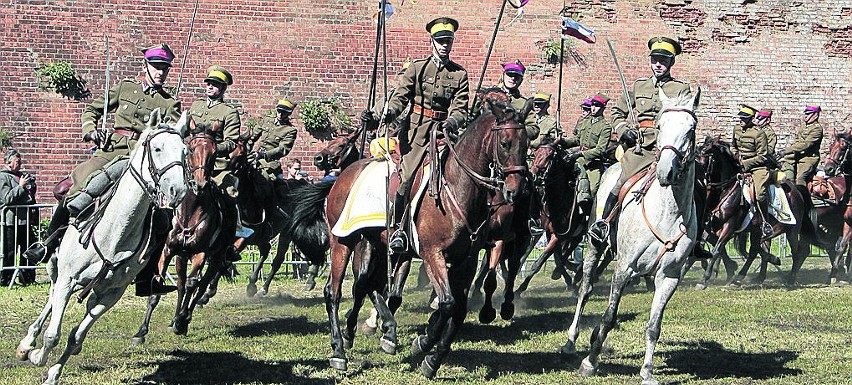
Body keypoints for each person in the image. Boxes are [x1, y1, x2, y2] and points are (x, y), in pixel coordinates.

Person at [23, 44, 182, 297]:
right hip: (112, 152)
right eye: (156, 67)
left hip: (143, 162)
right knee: (69, 188)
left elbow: (171, 137)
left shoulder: (170, 103)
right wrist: (90, 129)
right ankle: (48, 243)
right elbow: (92, 110)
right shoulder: (125, 88)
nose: (160, 72)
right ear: (146, 67)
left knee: (161, 220)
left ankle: (148, 278)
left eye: (164, 68)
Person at [361, 17, 470, 254]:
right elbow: (400, 97)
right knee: (407, 178)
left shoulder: (459, 74)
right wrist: (388, 112)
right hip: (416, 134)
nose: (444, 45)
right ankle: (399, 229)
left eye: (448, 41)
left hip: (445, 133)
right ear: (432, 42)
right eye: (440, 41)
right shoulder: (417, 68)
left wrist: (451, 122)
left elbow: (461, 109)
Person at [589, 36, 692, 242]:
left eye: (664, 60)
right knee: (621, 182)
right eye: (655, 59)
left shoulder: (681, 89)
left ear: (671, 62)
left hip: (669, 148)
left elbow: (684, 118)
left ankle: (694, 236)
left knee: (694, 185)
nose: (658, 64)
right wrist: (623, 129)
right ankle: (604, 223)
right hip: (642, 148)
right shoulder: (639, 86)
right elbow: (617, 112)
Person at [189, 65, 252, 260]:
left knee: (229, 196)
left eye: (215, 85)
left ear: (223, 89)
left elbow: (232, 141)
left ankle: (228, 245)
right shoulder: (195, 106)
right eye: (209, 83)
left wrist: (213, 150)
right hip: (193, 163)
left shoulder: (229, 112)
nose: (210, 87)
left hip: (217, 166)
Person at [733, 105, 773, 238]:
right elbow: (733, 146)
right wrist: (737, 157)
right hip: (739, 164)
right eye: (740, 117)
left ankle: (765, 221)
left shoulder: (758, 133)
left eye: (744, 118)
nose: (741, 120)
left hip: (757, 167)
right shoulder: (736, 129)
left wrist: (746, 163)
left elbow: (763, 156)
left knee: (760, 193)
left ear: (751, 119)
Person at [563, 93, 613, 196]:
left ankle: (588, 211)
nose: (593, 108)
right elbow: (577, 139)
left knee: (592, 190)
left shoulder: (605, 127)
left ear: (603, 108)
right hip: (579, 160)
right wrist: (563, 142)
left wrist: (581, 154)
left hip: (593, 164)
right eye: (593, 105)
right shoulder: (585, 121)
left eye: (597, 106)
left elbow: (600, 149)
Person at [0, 150, 37, 286]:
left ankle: (27, 277)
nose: (20, 165)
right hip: (11, 220)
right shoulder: (3, 177)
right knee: (9, 252)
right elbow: (7, 198)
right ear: (8, 162)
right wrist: (20, 186)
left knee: (28, 249)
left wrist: (31, 186)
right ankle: (6, 279)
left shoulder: (21, 176)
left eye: (20, 162)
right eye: (17, 162)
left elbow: (29, 196)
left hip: (25, 219)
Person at [250, 99, 298, 182]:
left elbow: (282, 149)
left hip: (270, 162)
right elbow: (252, 137)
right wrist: (247, 150)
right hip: (255, 156)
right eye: (279, 111)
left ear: (289, 113)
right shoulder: (267, 121)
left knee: (264, 180)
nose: (280, 114)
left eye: (284, 112)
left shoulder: (290, 130)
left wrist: (263, 154)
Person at [778, 106, 823, 188]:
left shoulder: (817, 129)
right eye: (805, 113)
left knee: (800, 178)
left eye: (808, 114)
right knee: (783, 167)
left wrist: (787, 150)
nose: (805, 116)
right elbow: (797, 141)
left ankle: (802, 198)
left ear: (815, 115)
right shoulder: (804, 126)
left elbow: (806, 144)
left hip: (808, 158)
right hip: (798, 155)